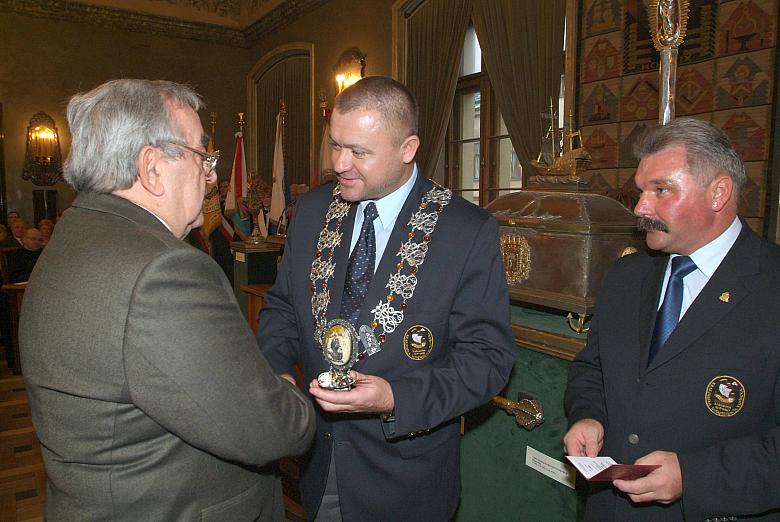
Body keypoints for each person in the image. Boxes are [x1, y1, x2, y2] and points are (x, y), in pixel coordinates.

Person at [19, 79, 315, 521]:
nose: (211, 174)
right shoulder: (163, 271)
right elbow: (272, 430)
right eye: (202, 155)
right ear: (152, 167)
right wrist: (285, 390)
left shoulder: (73, 236)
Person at [257, 76, 516, 521]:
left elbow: (488, 360)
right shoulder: (314, 210)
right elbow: (282, 307)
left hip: (405, 480)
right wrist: (279, 371)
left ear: (407, 148)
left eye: (359, 152)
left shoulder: (465, 231)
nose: (340, 164)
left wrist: (397, 397)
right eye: (335, 145)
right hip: (318, 462)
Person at [564, 118, 780, 521]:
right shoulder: (627, 276)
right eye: (642, 191)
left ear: (718, 193)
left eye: (660, 190)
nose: (641, 208)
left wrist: (694, 476)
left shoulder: (770, 285)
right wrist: (588, 415)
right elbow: (591, 368)